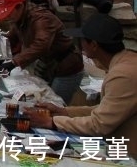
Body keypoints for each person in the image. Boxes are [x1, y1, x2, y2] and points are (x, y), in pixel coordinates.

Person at [24, 14, 137, 157]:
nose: (80, 44)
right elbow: (106, 110)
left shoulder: (123, 75)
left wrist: (52, 122)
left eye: (83, 40)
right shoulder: (125, 63)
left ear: (94, 45)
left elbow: (99, 124)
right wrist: (64, 112)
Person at [0, 0, 84, 104]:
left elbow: (41, 44)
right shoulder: (20, 19)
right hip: (47, 64)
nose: (8, 17)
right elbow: (11, 39)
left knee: (54, 106)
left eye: (9, 12)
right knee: (39, 101)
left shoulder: (41, 18)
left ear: (20, 6)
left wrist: (14, 62)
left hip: (66, 67)